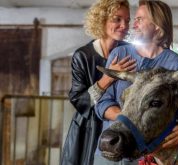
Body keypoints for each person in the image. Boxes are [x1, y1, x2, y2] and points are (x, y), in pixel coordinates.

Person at [94, 0, 178, 164]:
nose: (133, 24)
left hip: (150, 157)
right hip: (111, 148)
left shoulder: (175, 65)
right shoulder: (120, 54)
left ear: (157, 25)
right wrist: (128, 120)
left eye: (140, 19)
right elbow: (102, 103)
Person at [61, 0, 136, 164]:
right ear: (101, 20)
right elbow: (78, 99)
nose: (124, 25)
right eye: (117, 19)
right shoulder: (83, 55)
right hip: (91, 128)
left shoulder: (130, 52)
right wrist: (107, 78)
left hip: (123, 125)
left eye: (127, 20)